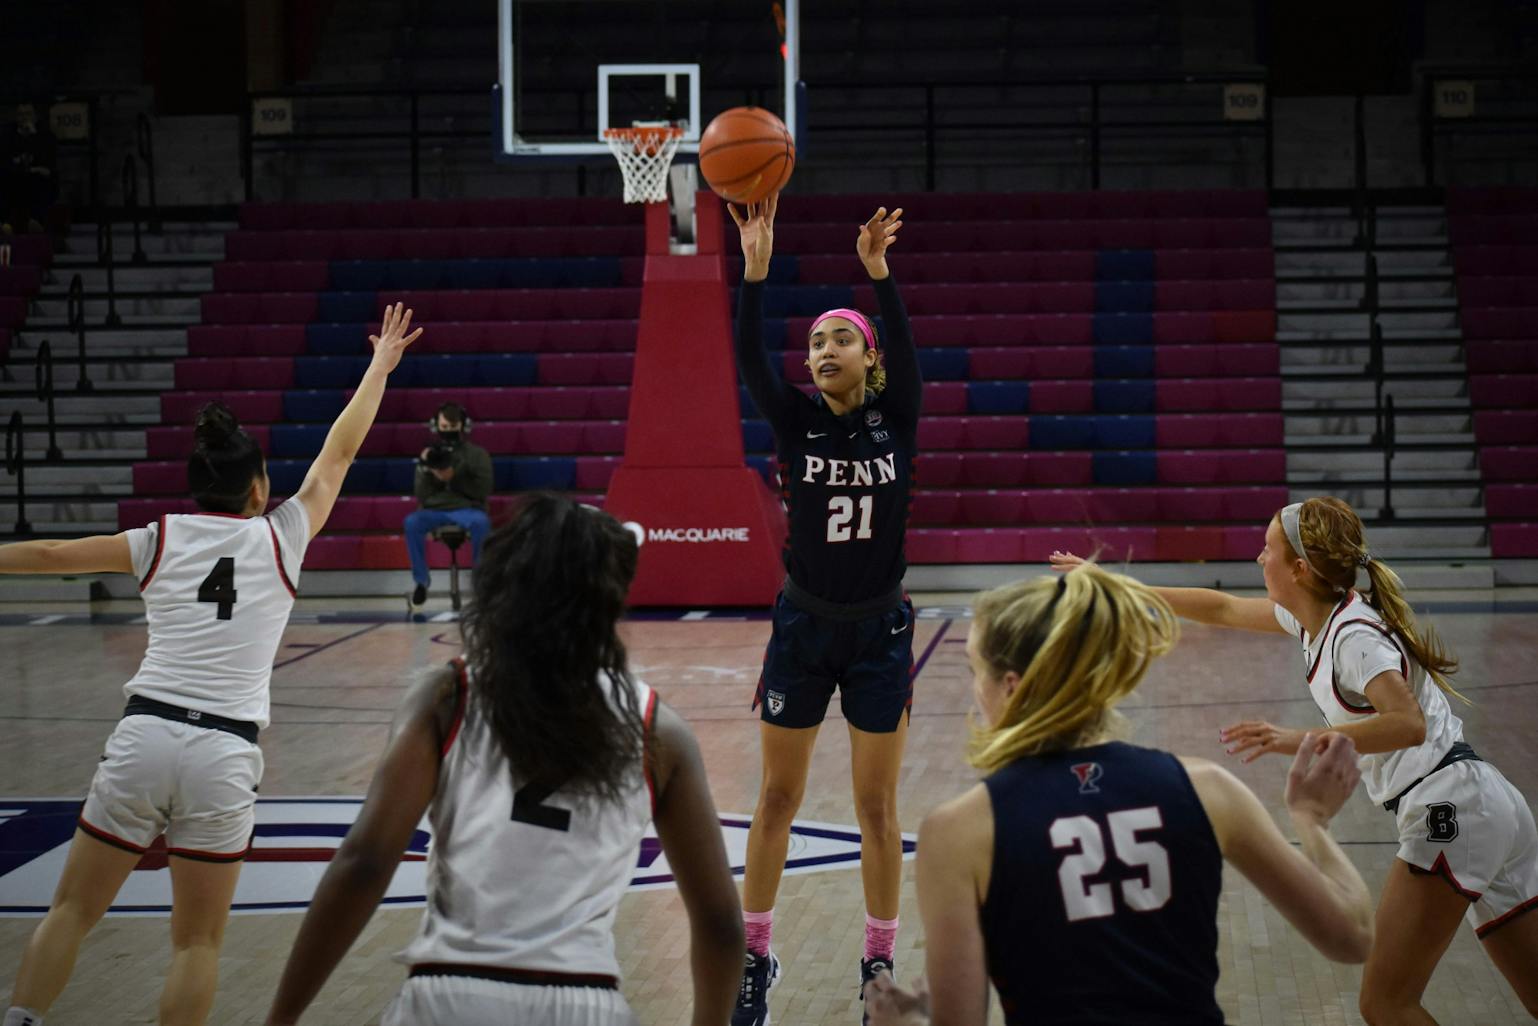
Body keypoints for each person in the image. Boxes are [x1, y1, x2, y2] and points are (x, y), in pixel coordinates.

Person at [0, 303, 422, 1026]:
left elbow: (50, 557)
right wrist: (378, 366)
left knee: (70, 910)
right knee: (196, 945)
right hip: (225, 752)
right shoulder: (283, 535)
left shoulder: (157, 538)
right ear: (259, 487)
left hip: (145, 738)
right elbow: (339, 452)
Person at [1049, 497, 1538, 1025]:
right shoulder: (1317, 619)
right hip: (1488, 803)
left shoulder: (1354, 638)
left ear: (1301, 569)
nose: (1260, 559)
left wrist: (1294, 738)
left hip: (1451, 809)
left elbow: (1408, 722)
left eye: (1268, 550)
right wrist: (1116, 587)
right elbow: (1221, 609)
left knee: (1385, 1004)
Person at [263, 495, 744, 1026]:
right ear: (610, 598)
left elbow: (365, 863)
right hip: (585, 1001)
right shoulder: (657, 729)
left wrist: (281, 1017)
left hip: (447, 994)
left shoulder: (450, 694)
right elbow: (721, 923)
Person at [862, 563, 1375, 1026]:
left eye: (978, 672)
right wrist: (1311, 820)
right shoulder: (1208, 788)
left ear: (1013, 688)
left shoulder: (960, 830)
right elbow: (1352, 936)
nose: (975, 689)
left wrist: (903, 1020)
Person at [727, 194, 919, 1025]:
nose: (824, 349)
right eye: (814, 342)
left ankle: (878, 961)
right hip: (803, 627)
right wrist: (755, 274)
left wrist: (877, 275)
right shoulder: (795, 421)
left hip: (879, 630)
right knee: (777, 800)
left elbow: (906, 347)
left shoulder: (896, 415)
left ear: (868, 358)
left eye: (841, 337)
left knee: (878, 809)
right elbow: (746, 357)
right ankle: (754, 959)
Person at [405, 401, 493, 607]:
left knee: (482, 523)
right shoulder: (429, 455)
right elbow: (421, 495)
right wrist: (428, 471)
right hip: (434, 509)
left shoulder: (477, 455)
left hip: (467, 509)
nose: (448, 432)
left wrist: (455, 476)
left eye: (453, 428)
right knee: (412, 523)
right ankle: (421, 582)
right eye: (444, 428)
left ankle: (479, 581)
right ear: (436, 427)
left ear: (463, 427)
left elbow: (484, 490)